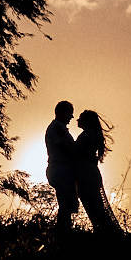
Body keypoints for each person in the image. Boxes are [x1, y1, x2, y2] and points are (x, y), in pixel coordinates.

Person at [74, 109, 123, 236]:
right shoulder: (91, 135)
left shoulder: (86, 136)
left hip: (86, 176)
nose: (77, 120)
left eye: (80, 118)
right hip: (89, 174)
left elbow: (78, 154)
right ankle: (106, 233)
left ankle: (105, 234)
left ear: (87, 121)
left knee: (94, 207)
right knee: (96, 207)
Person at [45, 100, 78, 236]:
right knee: (65, 204)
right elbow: (67, 148)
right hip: (60, 169)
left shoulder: (58, 127)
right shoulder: (57, 128)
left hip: (60, 169)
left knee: (66, 204)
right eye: (70, 113)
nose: (71, 117)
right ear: (62, 113)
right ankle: (63, 234)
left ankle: (64, 233)